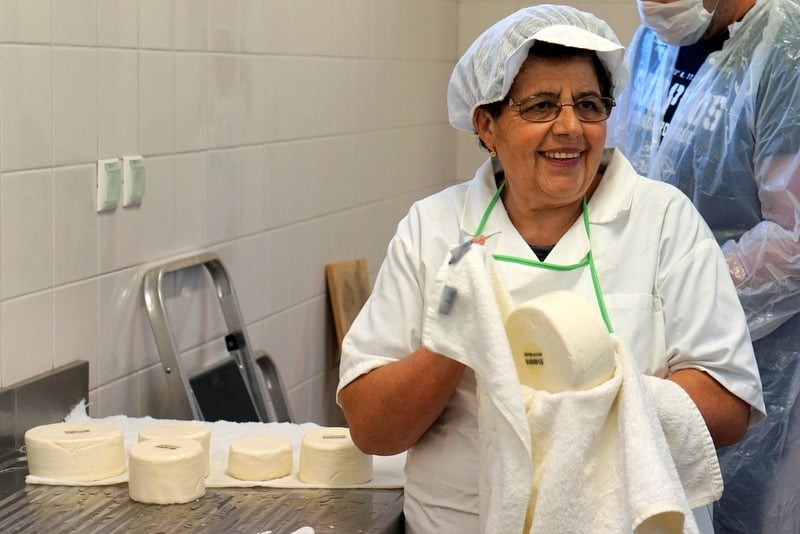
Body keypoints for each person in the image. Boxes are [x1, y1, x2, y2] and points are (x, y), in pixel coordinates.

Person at [337, 5, 764, 533]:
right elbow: (372, 428)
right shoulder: (436, 227)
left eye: (589, 105)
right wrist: (455, 342)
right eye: (540, 106)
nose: (570, 128)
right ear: (486, 125)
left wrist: (601, 397)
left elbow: (729, 403)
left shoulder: (662, 220)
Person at [608, 0, 800, 531]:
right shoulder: (654, 39)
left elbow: (796, 241)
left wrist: (683, 290)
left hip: (766, 357)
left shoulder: (788, 49)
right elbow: (625, 169)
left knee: (747, 511)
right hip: (652, 335)